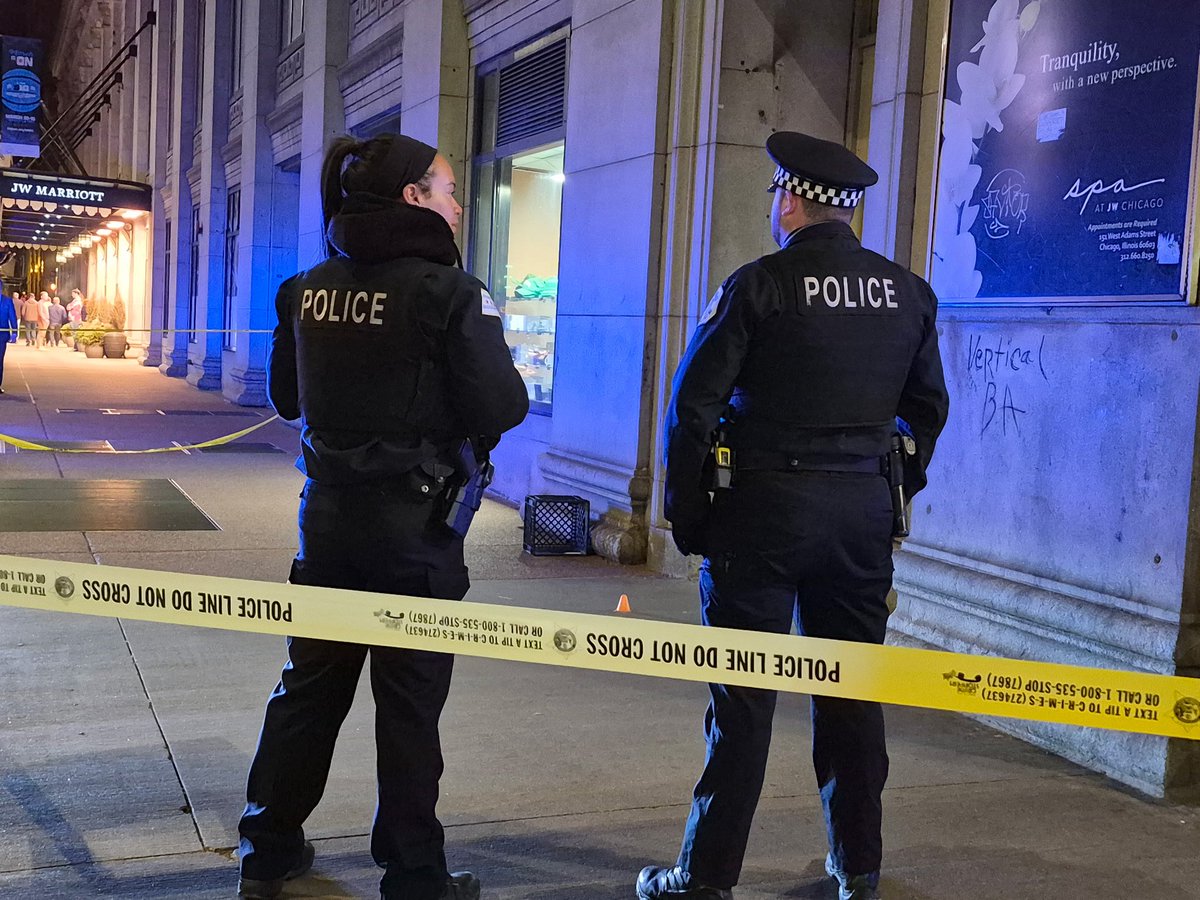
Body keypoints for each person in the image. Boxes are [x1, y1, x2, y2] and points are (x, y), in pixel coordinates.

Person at [637, 132, 949, 900]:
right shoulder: (908, 292)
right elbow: (928, 412)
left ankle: (705, 877)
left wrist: (690, 517)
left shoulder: (758, 286)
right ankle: (858, 867)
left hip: (763, 517)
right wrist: (883, 487)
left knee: (741, 701)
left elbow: (692, 410)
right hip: (859, 522)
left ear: (790, 199)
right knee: (851, 691)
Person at [237, 133, 528, 900]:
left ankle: (266, 850)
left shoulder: (304, 288)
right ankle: (412, 874)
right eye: (447, 188)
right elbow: (504, 405)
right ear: (413, 197)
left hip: (326, 524)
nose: (459, 204)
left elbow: (288, 401)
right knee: (407, 708)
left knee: (308, 690)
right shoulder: (451, 294)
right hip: (416, 531)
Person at [0, 282, 16, 392]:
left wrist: (14, 332)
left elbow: (12, 316)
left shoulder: (7, 301)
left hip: (2, 335)